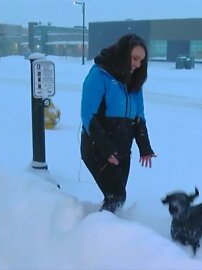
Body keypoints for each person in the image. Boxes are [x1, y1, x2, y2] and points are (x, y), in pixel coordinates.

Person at [80, 33, 156, 213]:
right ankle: (97, 234)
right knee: (116, 197)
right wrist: (105, 149)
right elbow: (87, 115)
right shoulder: (100, 75)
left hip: (122, 150)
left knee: (115, 199)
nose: (138, 64)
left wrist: (144, 146)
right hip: (97, 147)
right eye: (135, 58)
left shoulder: (134, 83)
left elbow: (139, 117)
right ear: (123, 53)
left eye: (141, 61)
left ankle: (104, 232)